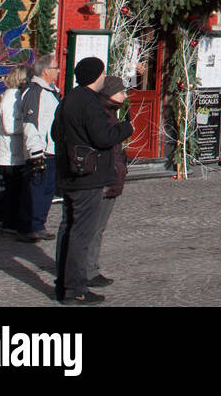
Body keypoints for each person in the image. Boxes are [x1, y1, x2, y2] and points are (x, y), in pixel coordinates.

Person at [52, 57, 133, 306]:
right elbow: (103, 136)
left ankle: (64, 283)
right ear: (95, 76)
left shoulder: (68, 99)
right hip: (88, 174)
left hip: (70, 170)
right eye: (102, 74)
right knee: (81, 232)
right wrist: (125, 129)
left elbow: (55, 132)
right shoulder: (89, 102)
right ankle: (75, 289)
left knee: (68, 228)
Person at [86, 76, 129, 289]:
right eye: (121, 92)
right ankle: (88, 270)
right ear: (109, 93)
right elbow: (104, 141)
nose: (125, 95)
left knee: (96, 227)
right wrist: (123, 130)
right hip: (103, 177)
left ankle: (86, 267)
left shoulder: (110, 112)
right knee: (93, 227)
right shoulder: (101, 115)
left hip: (111, 175)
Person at [17, 54, 61, 242]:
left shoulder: (51, 91)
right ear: (45, 71)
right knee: (37, 189)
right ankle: (30, 226)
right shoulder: (35, 92)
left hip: (51, 148)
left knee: (46, 189)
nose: (58, 71)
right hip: (41, 150)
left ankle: (37, 224)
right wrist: (36, 150)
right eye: (55, 68)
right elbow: (30, 122)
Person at [0, 66, 30, 232]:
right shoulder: (11, 98)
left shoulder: (17, 96)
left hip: (15, 153)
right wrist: (27, 127)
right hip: (9, 153)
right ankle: (8, 222)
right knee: (13, 189)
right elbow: (9, 126)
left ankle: (4, 218)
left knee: (15, 189)